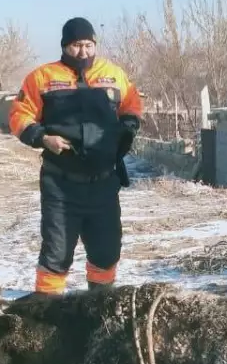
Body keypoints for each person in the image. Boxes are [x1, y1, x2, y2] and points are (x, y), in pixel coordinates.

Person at [9, 17, 143, 295]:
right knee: (56, 256)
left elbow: (132, 106)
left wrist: (127, 130)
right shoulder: (42, 77)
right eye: (76, 46)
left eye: (88, 45)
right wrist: (43, 138)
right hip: (61, 185)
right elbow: (20, 115)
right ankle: (46, 310)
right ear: (64, 46)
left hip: (104, 183)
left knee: (106, 252)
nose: (83, 52)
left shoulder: (114, 74)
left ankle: (100, 304)